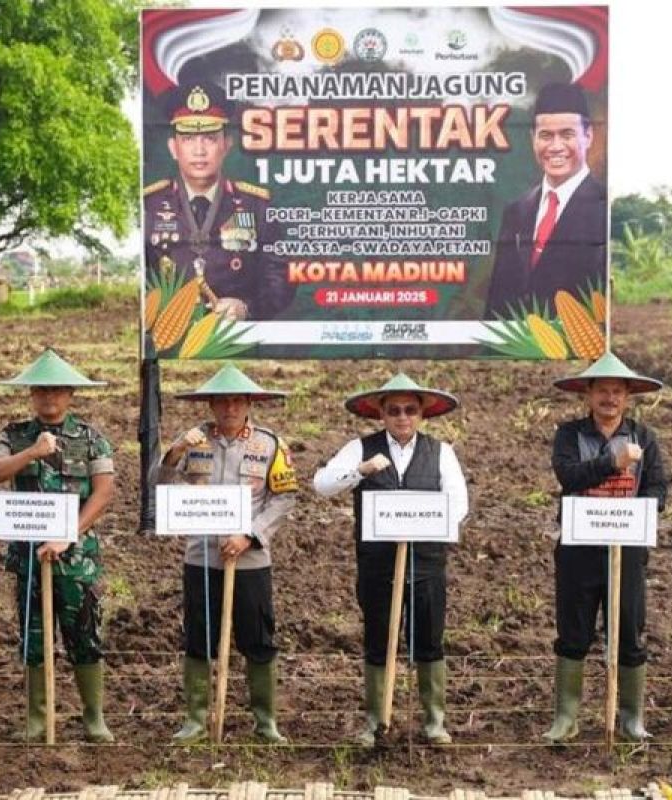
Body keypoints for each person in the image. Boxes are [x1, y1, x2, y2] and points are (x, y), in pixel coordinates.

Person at [313, 374, 468, 746]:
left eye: (410, 410)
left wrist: (426, 523)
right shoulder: (359, 448)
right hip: (378, 565)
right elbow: (321, 484)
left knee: (429, 640)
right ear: (381, 413)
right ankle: (376, 721)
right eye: (394, 410)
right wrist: (360, 472)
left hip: (427, 563)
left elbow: (458, 503)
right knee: (379, 639)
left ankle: (434, 722)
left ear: (422, 414)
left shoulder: (440, 451)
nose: (402, 417)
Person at [0, 349, 116, 743]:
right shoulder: (13, 435)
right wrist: (32, 453)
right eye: (41, 391)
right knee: (34, 639)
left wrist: (68, 534)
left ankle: (94, 718)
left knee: (85, 636)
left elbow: (104, 493)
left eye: (57, 391)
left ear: (71, 394)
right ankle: (37, 720)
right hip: (28, 558)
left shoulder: (92, 439)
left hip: (76, 561)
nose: (49, 398)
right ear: (31, 394)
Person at [157, 364, 297, 744]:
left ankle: (265, 722)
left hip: (250, 558)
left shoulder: (270, 444)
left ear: (249, 403)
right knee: (199, 637)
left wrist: (250, 535)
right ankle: (195, 721)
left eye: (237, 400)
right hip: (201, 556)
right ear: (211, 404)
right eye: (222, 401)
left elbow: (284, 498)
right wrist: (175, 453)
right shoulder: (192, 440)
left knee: (258, 638)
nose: (229, 408)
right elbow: (159, 484)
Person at [543, 352, 668, 743]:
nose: (610, 398)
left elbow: (658, 488)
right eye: (602, 391)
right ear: (588, 395)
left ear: (628, 396)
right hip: (579, 548)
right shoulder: (569, 434)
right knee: (574, 630)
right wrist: (612, 462)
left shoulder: (644, 437)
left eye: (617, 391)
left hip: (627, 548)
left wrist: (640, 511)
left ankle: (631, 719)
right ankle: (566, 719)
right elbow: (569, 476)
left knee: (629, 629)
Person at [144, 82, 292, 323]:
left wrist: (247, 308)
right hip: (169, 336)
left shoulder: (256, 204)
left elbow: (279, 277)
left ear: (227, 145)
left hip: (238, 338)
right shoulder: (149, 204)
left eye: (210, 139)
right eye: (189, 139)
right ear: (173, 147)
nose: (199, 150)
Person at [485, 82, 608, 318]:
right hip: (517, 349)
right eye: (546, 136)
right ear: (533, 138)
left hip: (573, 346)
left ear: (588, 136)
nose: (555, 147)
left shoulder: (602, 208)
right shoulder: (516, 211)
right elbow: (497, 300)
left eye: (567, 135)